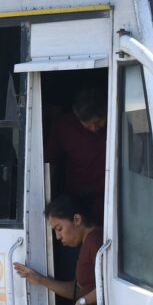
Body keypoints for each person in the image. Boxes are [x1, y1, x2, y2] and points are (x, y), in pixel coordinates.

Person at [45, 82, 107, 225]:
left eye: (98, 123)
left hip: (109, 197)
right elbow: (50, 164)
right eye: (88, 125)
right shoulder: (63, 126)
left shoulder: (118, 121)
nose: (94, 128)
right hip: (77, 201)